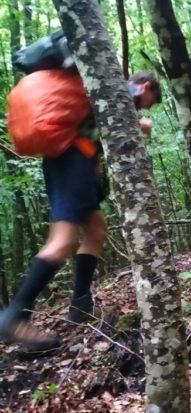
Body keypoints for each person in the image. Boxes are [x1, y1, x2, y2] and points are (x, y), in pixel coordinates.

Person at [0, 71, 162, 351]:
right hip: (71, 161)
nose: (147, 106)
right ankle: (15, 315)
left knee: (96, 228)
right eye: (151, 100)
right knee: (61, 241)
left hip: (72, 162)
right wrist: (140, 125)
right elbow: (115, 127)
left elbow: (95, 129)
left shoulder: (97, 89)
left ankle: (80, 304)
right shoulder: (120, 91)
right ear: (145, 87)